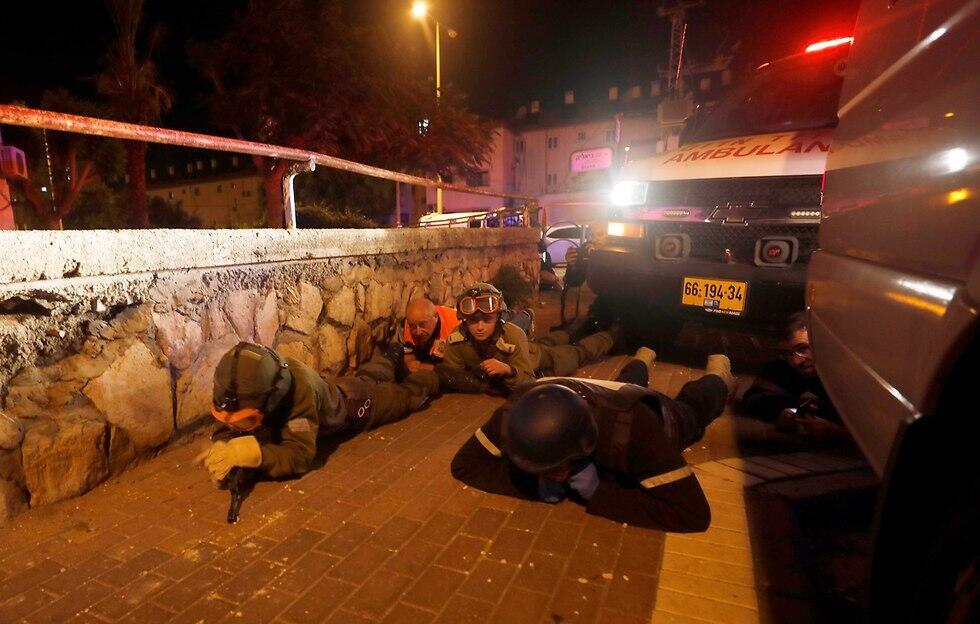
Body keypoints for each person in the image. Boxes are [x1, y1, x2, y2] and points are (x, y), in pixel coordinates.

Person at [450, 351, 736, 531]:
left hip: (657, 414)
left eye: (558, 467)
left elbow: (693, 514)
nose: (552, 476)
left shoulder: (637, 431)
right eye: (542, 468)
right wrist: (533, 486)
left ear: (583, 445)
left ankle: (719, 374)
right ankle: (642, 358)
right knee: (628, 381)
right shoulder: (514, 414)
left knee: (695, 404)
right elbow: (465, 464)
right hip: (606, 392)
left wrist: (601, 493)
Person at [200, 342, 438, 483]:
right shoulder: (243, 388)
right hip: (340, 388)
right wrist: (222, 446)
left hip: (357, 406)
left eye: (246, 421)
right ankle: (392, 355)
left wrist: (258, 456)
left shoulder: (300, 392)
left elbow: (299, 456)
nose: (236, 428)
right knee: (369, 376)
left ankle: (438, 374)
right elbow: (227, 423)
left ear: (271, 400)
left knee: (408, 396)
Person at [436, 283, 614, 396]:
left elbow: (527, 382)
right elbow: (454, 377)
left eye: (487, 320)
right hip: (526, 348)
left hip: (542, 359)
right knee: (557, 337)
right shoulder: (457, 339)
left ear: (499, 318)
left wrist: (509, 370)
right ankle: (584, 324)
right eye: (473, 321)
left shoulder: (512, 333)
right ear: (464, 320)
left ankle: (612, 334)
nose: (480, 326)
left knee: (579, 351)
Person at [742, 312, 848, 440]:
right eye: (788, 353)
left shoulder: (849, 375)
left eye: (802, 349)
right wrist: (781, 412)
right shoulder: (786, 366)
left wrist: (840, 432)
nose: (796, 361)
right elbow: (755, 397)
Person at [392, 298, 460, 377]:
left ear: (435, 317)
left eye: (423, 324)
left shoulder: (456, 326)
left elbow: (458, 369)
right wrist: (412, 364)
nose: (418, 332)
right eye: (413, 326)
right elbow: (408, 353)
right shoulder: (409, 323)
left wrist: (430, 368)